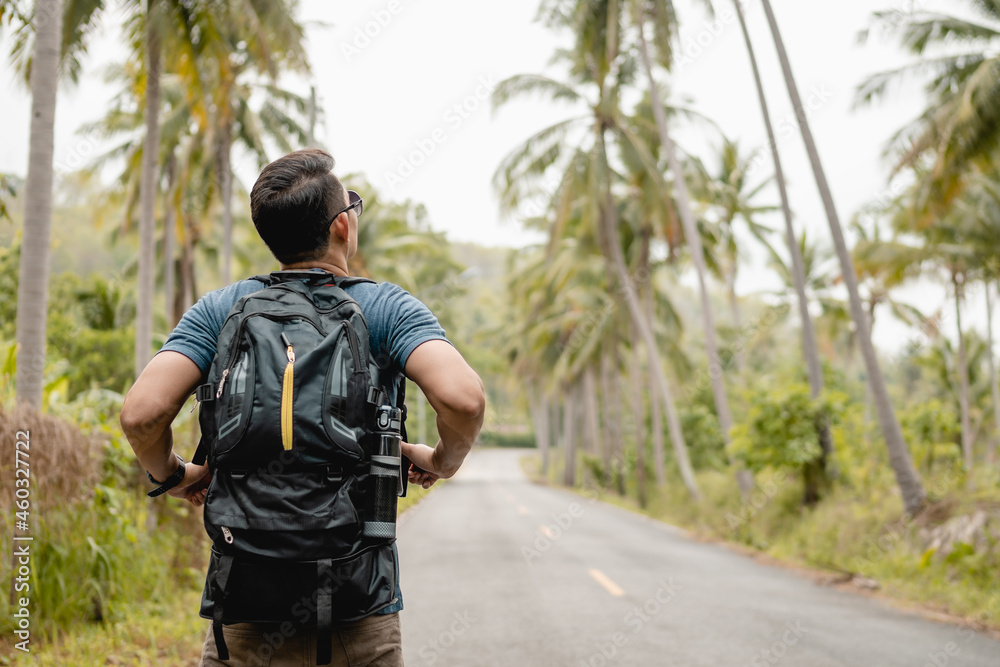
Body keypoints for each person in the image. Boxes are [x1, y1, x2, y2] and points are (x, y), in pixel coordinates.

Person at [119, 148, 486, 666]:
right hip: (358, 612)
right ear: (342, 225)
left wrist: (176, 474)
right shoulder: (385, 308)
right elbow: (464, 400)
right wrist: (439, 461)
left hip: (243, 609)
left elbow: (140, 414)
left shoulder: (221, 309)